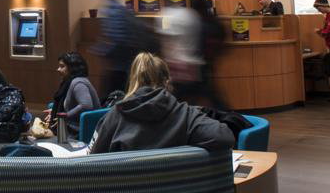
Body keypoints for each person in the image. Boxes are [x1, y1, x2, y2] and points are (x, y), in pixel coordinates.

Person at [88, 52, 234, 154]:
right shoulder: (184, 114)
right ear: (167, 82)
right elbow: (224, 137)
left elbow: (92, 159)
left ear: (133, 81)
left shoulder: (115, 115)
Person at [47, 52, 101, 137]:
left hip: (78, 130)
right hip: (72, 126)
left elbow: (86, 105)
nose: (58, 69)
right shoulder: (69, 81)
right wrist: (54, 110)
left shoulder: (78, 83)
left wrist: (65, 116)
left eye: (62, 66)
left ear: (72, 68)